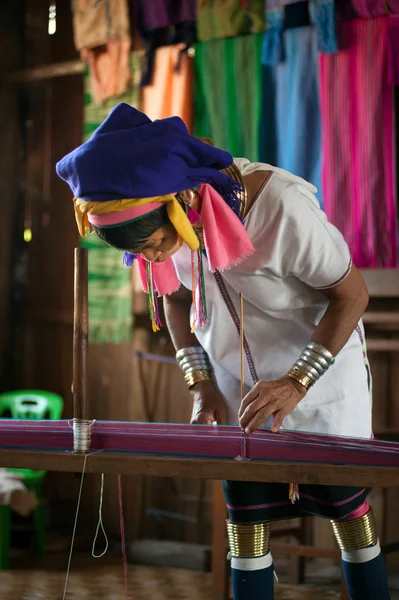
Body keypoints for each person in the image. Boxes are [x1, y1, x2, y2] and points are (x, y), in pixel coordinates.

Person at [56, 103, 390, 600]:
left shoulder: (281, 208)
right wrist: (202, 383)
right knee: (247, 535)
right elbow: (172, 297)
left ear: (183, 201)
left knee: (351, 529)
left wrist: (296, 382)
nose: (151, 258)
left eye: (155, 244)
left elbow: (352, 296)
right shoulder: (166, 227)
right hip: (242, 403)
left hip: (322, 394)